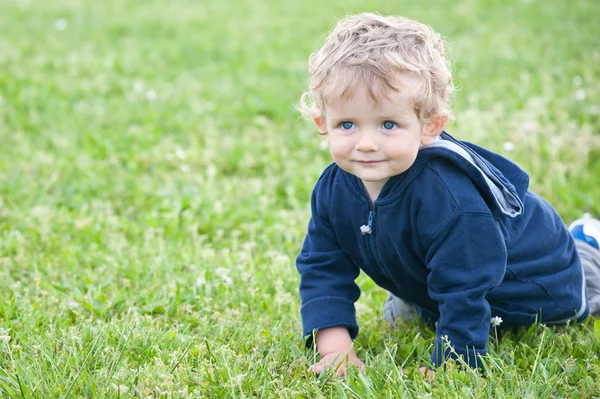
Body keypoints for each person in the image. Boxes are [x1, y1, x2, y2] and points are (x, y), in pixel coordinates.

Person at [295, 12, 600, 375]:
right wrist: (334, 349)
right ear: (322, 125)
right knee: (408, 310)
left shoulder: (449, 199)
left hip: (533, 284)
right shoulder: (333, 189)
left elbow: (465, 287)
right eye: (347, 124)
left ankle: (587, 240)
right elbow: (322, 266)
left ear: (430, 127)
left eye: (388, 124)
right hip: (452, 270)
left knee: (580, 289)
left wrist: (453, 362)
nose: (367, 143)